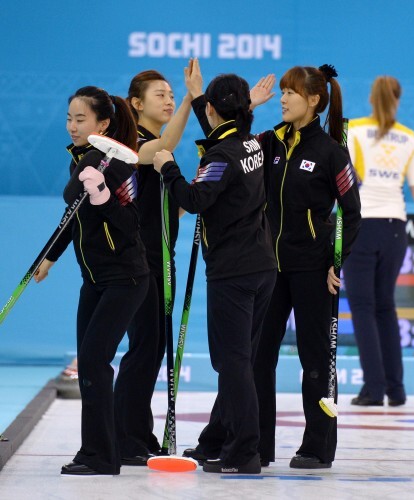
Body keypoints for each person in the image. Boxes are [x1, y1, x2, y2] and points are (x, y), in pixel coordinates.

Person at [187, 63, 361, 469]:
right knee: (254, 359)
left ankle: (317, 446)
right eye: (281, 92)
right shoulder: (268, 144)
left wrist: (338, 262)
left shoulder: (331, 152)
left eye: (290, 93)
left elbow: (352, 213)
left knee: (315, 360)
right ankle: (256, 446)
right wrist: (201, 102)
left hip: (313, 270)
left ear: (314, 100)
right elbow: (225, 143)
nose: (282, 99)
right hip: (268, 269)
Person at [153, 70, 277, 474]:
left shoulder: (223, 155)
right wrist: (204, 97)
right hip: (261, 266)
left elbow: (195, 198)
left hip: (234, 272)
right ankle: (217, 441)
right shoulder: (249, 143)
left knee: (233, 362)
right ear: (245, 108)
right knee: (238, 360)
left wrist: (167, 166)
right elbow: (228, 128)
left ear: (210, 110)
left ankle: (244, 451)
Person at [34, 86, 149, 476]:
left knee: (97, 362)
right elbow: (72, 215)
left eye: (80, 119)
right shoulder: (83, 161)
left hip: (126, 278)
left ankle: (103, 457)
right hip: (95, 280)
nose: (71, 126)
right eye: (69, 118)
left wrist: (103, 197)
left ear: (103, 124)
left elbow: (133, 225)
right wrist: (48, 258)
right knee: (90, 366)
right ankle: (94, 451)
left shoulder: (117, 165)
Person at [344, 76, 414, 407]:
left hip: (362, 225)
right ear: (398, 101)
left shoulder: (353, 130)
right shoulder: (408, 137)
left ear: (371, 99)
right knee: (386, 306)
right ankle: (396, 390)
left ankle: (373, 390)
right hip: (395, 229)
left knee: (362, 308)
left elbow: (340, 184)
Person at [114, 63, 193, 462]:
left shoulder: (158, 148)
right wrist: (192, 97)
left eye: (173, 95)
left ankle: (136, 433)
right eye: (160, 94)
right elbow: (163, 147)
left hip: (165, 259)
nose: (169, 99)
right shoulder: (131, 145)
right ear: (136, 103)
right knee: (143, 347)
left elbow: (168, 210)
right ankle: (123, 437)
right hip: (138, 262)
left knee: (154, 348)